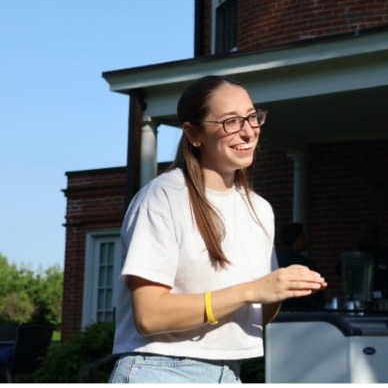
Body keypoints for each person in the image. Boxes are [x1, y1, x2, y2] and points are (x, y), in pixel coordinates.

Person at [109, 76, 327, 383]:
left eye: (252, 117)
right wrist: (253, 290)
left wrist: (279, 290)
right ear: (194, 133)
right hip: (159, 370)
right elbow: (149, 315)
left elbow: (255, 315)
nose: (249, 131)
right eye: (231, 121)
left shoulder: (259, 209)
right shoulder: (163, 197)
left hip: (229, 372)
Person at [275, 222, 325, 309]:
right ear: (296, 239)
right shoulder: (303, 263)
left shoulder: (277, 259)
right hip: (301, 311)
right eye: (302, 236)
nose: (305, 239)